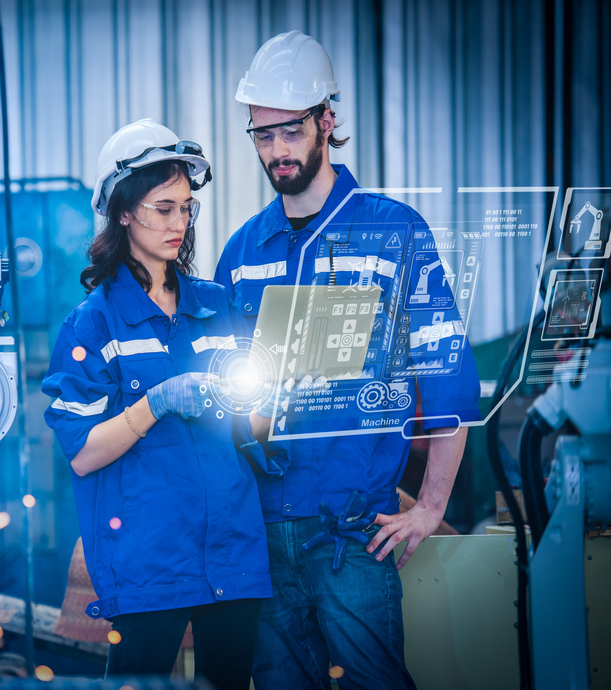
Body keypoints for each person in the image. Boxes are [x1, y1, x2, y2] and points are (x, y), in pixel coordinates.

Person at [214, 31, 481, 690]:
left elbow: (447, 372)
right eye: (261, 135)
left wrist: (429, 504)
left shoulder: (394, 232)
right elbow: (223, 389)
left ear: (326, 122)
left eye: (289, 131)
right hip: (264, 540)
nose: (276, 150)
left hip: (354, 537)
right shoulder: (243, 252)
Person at [42, 119, 272, 689]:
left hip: (233, 554)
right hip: (149, 564)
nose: (180, 223)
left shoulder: (216, 306)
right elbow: (83, 453)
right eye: (162, 208)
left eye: (186, 209)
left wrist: (282, 393)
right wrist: (158, 402)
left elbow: (256, 428)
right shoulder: (94, 323)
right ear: (122, 211)